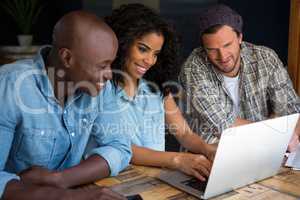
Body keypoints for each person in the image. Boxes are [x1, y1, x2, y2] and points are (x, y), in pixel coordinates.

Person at [0, 11, 130, 200]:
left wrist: (59, 179)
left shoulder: (101, 87)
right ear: (67, 58)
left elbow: (119, 147)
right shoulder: (8, 86)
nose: (110, 75)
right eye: (102, 66)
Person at [98, 3, 216, 181]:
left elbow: (184, 133)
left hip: (157, 181)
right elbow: (121, 148)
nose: (149, 61)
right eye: (143, 49)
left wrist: (207, 149)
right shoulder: (102, 87)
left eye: (156, 54)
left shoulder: (157, 87)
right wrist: (177, 159)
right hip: (117, 181)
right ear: (122, 42)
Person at [179, 4, 300, 149]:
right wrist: (275, 129)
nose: (222, 56)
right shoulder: (193, 68)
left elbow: (291, 111)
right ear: (203, 48)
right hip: (210, 156)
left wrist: (280, 129)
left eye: (227, 45)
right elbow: (222, 125)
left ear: (240, 38)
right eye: (212, 50)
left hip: (265, 150)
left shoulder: (266, 58)